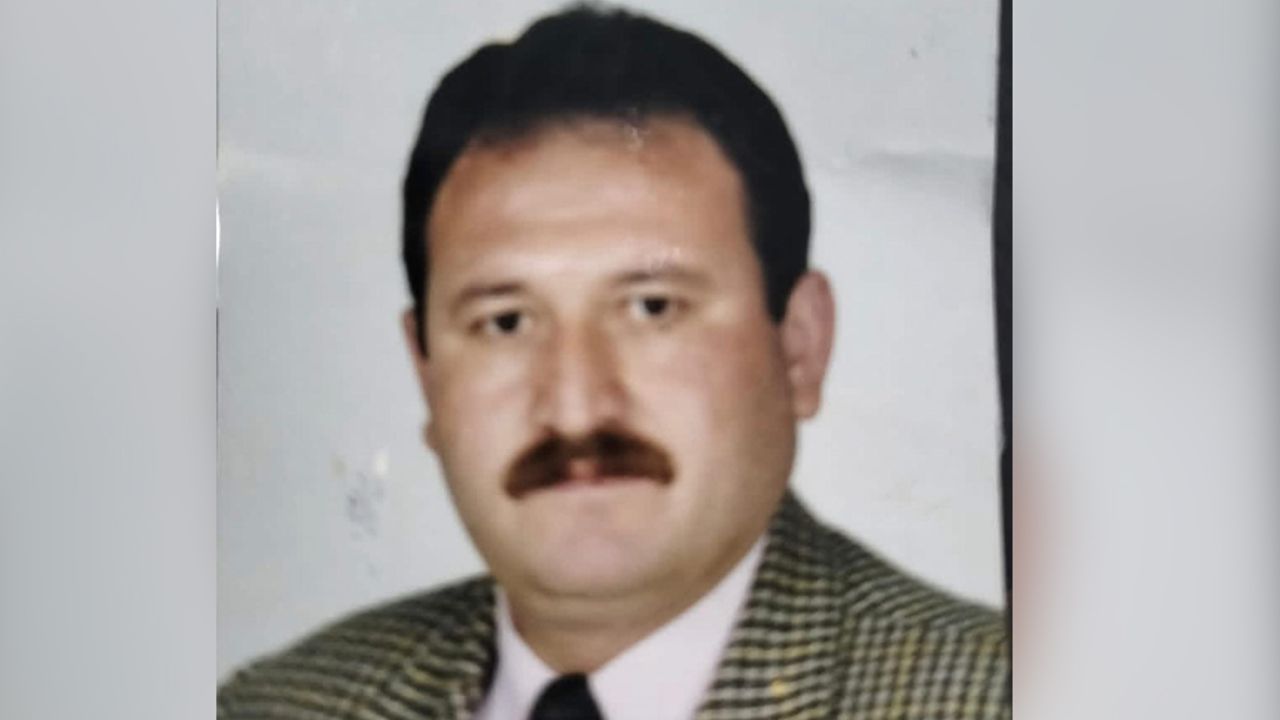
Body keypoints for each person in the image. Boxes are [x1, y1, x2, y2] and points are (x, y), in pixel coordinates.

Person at [218, 5, 1008, 719]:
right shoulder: (277, 705)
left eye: (652, 308)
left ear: (799, 347)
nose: (574, 405)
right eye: (505, 322)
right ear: (427, 374)